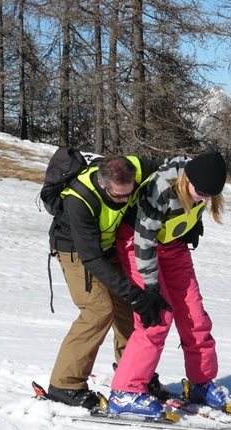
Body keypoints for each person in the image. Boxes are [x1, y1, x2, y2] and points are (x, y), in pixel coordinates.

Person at [108, 150, 231, 417]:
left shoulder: (202, 190)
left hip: (173, 247)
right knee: (156, 318)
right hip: (140, 247)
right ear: (187, 179)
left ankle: (201, 383)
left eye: (209, 195)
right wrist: (151, 287)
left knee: (195, 315)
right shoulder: (161, 188)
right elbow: (143, 241)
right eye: (199, 191)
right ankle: (125, 392)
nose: (203, 198)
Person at [46, 155, 171, 409]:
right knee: (98, 310)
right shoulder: (78, 200)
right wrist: (134, 292)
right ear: (104, 186)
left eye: (129, 194)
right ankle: (65, 384)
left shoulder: (136, 167)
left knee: (129, 309)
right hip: (77, 252)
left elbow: (171, 168)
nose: (125, 200)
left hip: (108, 247)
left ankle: (132, 374)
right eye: (118, 196)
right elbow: (91, 258)